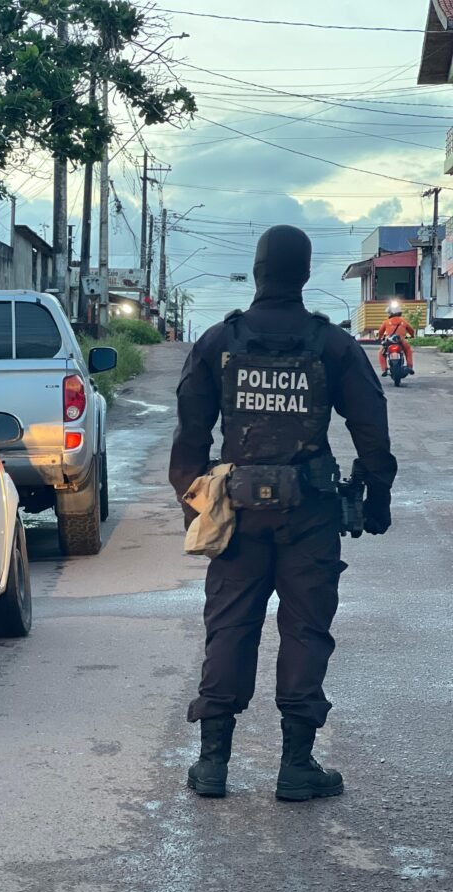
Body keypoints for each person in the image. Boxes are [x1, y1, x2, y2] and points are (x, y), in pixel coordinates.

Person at [169, 225, 397, 802]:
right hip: (310, 514)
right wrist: (377, 496)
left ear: (256, 271)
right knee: (305, 629)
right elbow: (370, 424)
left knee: (230, 626)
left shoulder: (219, 341)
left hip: (237, 514)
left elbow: (190, 435)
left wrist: (196, 505)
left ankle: (213, 763)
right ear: (305, 273)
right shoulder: (331, 344)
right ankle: (296, 765)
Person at [377, 305, 415, 376]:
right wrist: (412, 336)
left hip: (389, 341)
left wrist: (379, 338)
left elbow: (380, 332)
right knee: (408, 350)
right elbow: (411, 331)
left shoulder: (386, 322)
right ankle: (409, 367)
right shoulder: (403, 321)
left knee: (381, 353)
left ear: (390, 313)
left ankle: (384, 369)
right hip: (401, 340)